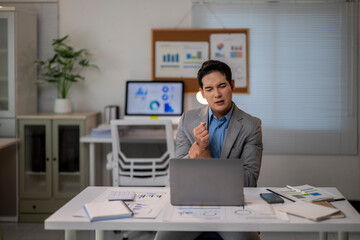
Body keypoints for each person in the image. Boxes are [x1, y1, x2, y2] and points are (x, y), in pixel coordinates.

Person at [154, 60, 263, 240]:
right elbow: (177, 173)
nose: (217, 94)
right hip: (192, 204)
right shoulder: (188, 120)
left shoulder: (251, 125)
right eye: (209, 89)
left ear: (232, 85)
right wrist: (193, 155)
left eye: (222, 86)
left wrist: (205, 158)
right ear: (202, 93)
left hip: (232, 206)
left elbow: (250, 180)